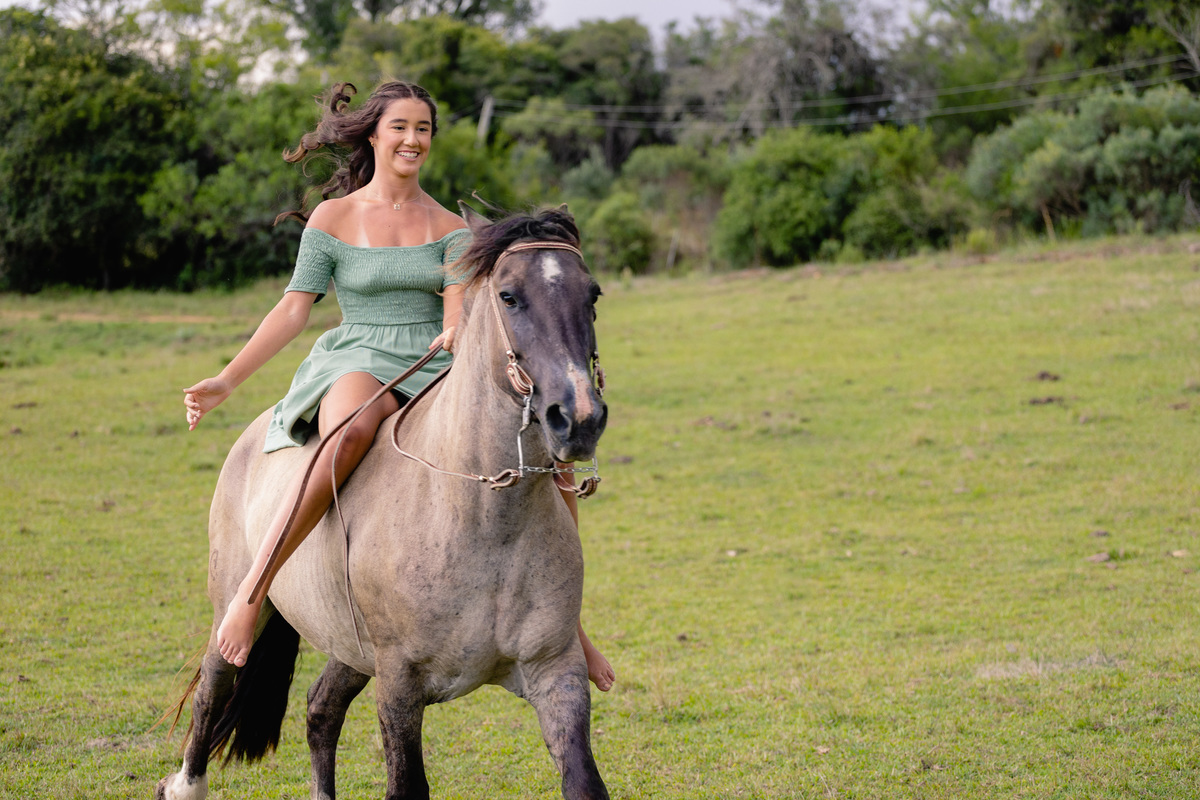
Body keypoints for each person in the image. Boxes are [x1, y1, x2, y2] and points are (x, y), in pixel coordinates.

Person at [183, 80, 615, 692]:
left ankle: (569, 626)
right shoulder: (333, 218)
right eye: (401, 128)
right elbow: (292, 311)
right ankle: (254, 591)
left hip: (435, 366)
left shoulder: (449, 226)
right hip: (357, 356)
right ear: (373, 135)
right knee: (352, 430)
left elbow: (455, 312)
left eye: (424, 130)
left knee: (546, 454)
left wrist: (452, 333)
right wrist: (227, 380)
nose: (414, 140)